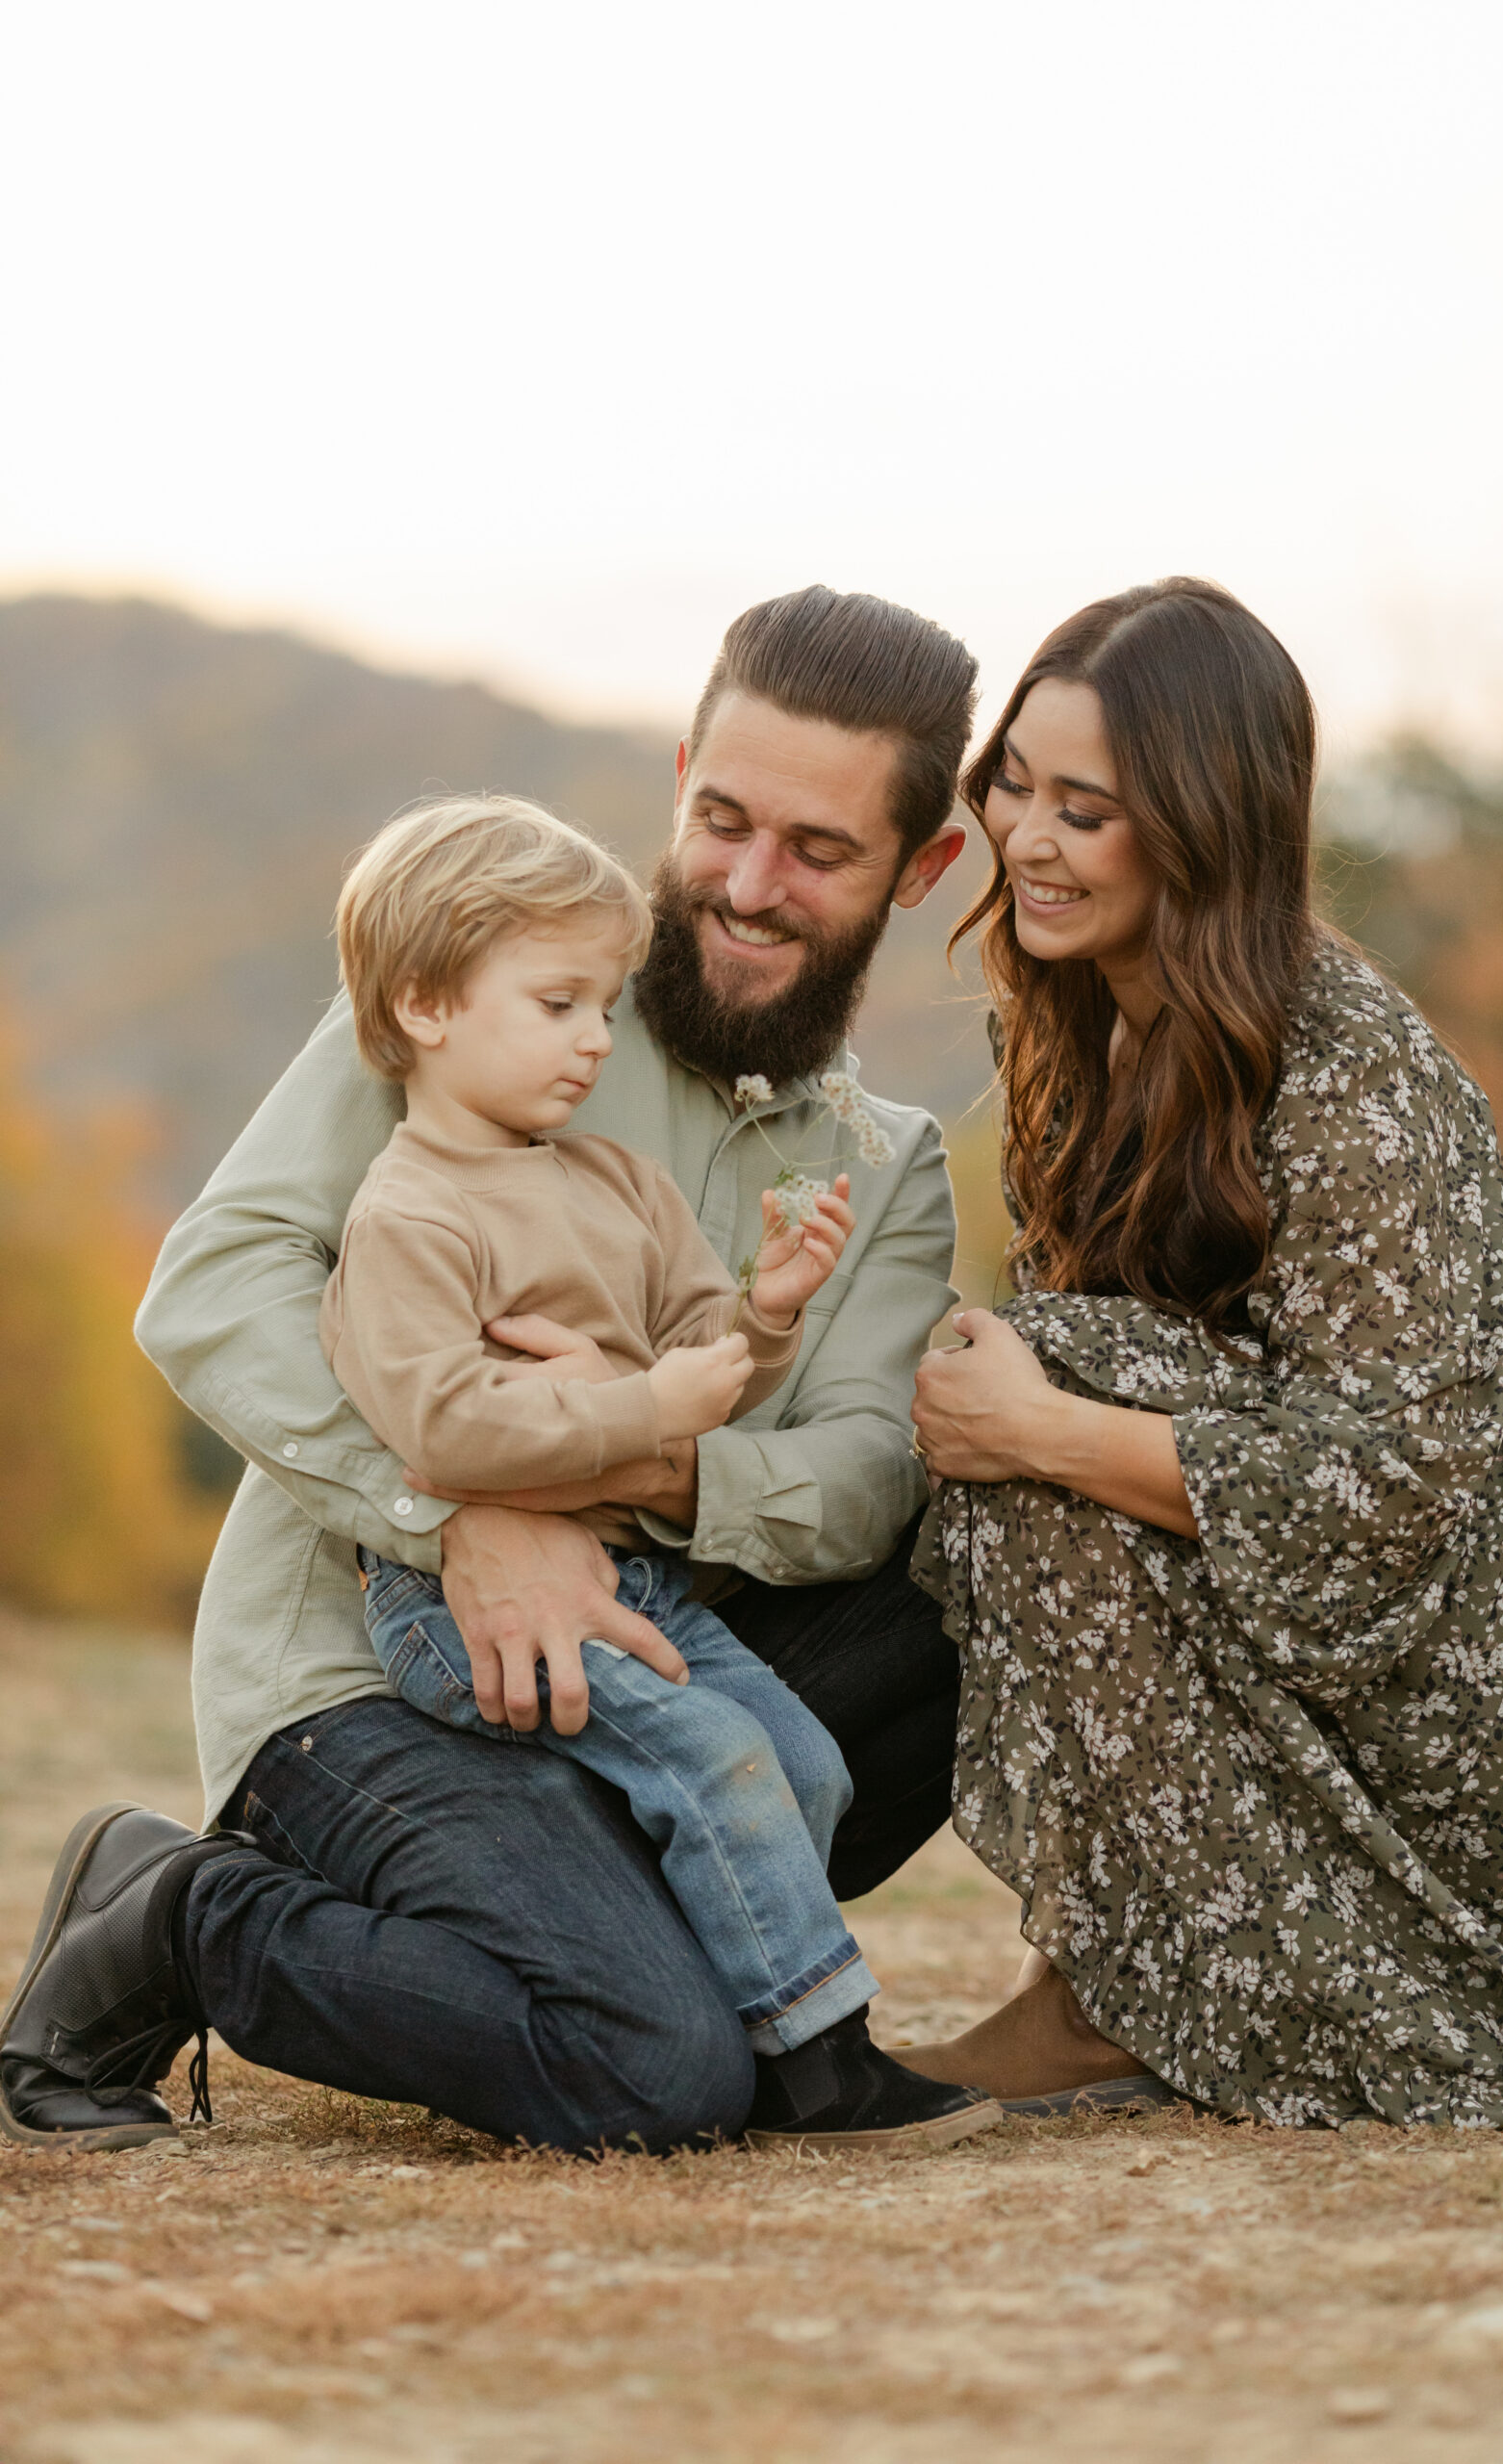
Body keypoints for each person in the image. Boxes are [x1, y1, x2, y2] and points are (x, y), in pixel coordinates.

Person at [0, 585, 980, 2158]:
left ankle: (657, 1937)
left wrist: (611, 1466)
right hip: (367, 1676)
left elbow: (865, 1474)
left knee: (981, 1552)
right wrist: (445, 1508)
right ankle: (180, 1906)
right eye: (720, 818)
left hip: (638, 1676)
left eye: (817, 849)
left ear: (922, 869)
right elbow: (216, 1283)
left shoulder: (893, 1168)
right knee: (654, 2075)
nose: (744, 883)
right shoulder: (494, 1003)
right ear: (679, 775)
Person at [899, 577, 1503, 2130]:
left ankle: (1158, 1997)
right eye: (1015, 784)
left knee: (1049, 1381)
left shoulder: (1345, 1061)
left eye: (1086, 809)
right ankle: (1111, 1986)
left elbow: (1404, 1474)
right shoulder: (1073, 1026)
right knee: (1033, 1373)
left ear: (1204, 827)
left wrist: (1043, 1430)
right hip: (1321, 1530)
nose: (1028, 838)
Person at [320, 791, 994, 2150]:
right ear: (429, 1008)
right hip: (462, 1609)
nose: (593, 1039)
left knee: (801, 1761)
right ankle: (821, 2064)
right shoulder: (409, 1215)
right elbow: (443, 1430)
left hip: (636, 1571)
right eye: (558, 1003)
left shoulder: (616, 1182)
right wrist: (639, 1408)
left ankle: (733, 2014)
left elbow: (703, 1360)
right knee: (722, 1759)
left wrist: (769, 1313)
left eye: (604, 1006)